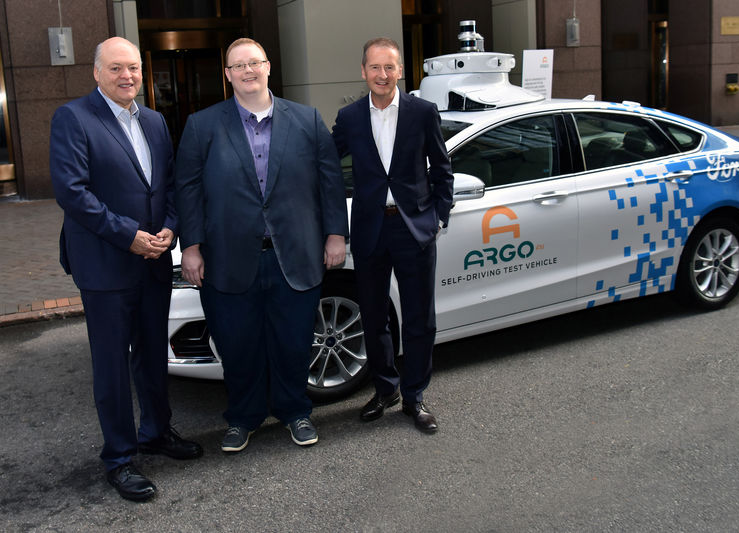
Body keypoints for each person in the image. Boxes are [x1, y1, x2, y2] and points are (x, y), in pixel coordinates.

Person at [175, 38, 348, 452]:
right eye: (239, 65)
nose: (248, 70)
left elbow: (329, 182)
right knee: (238, 346)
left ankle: (296, 412)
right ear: (228, 75)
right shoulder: (202, 125)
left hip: (296, 255)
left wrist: (336, 235)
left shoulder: (306, 120)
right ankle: (243, 418)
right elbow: (187, 190)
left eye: (255, 62)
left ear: (268, 67)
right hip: (228, 260)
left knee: (292, 342)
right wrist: (192, 247)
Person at [49, 37, 203, 503]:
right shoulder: (74, 118)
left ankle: (156, 432)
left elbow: (170, 186)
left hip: (154, 260)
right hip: (106, 263)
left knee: (153, 354)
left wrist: (170, 230)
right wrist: (129, 235)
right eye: (116, 68)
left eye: (133, 68)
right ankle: (119, 457)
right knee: (112, 365)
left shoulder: (154, 121)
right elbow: (73, 192)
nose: (127, 76)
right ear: (97, 73)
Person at [331, 38, 453, 433]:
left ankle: (415, 396)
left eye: (390, 67)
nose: (382, 75)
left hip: (413, 227)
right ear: (363, 71)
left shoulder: (422, 112)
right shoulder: (349, 118)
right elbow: (324, 163)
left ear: (401, 71)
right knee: (374, 315)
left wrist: (438, 214)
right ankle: (386, 390)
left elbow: (442, 168)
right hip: (369, 229)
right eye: (375, 68)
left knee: (419, 317)